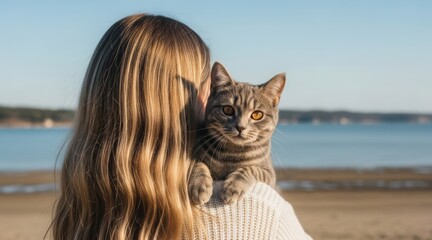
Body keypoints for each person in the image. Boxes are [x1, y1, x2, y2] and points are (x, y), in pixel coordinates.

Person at [52, 14, 312, 240]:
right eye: (207, 88)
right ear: (195, 98)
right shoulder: (260, 212)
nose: (241, 124)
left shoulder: (78, 210)